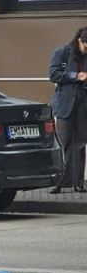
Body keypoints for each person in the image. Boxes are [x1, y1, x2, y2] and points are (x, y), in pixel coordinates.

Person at [47, 26, 87, 194]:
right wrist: (75, 76)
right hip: (65, 103)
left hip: (83, 103)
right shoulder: (62, 53)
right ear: (79, 41)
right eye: (86, 46)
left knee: (80, 143)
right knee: (63, 141)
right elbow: (53, 74)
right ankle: (59, 182)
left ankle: (78, 182)